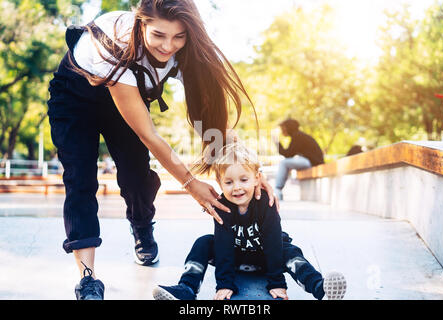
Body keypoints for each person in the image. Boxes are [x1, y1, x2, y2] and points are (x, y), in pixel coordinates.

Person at [47, 0, 277, 300]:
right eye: (158, 35)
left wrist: (249, 170)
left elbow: (212, 122)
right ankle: (87, 279)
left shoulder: (184, 52)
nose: (168, 46)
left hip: (125, 105)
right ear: (140, 22)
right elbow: (149, 134)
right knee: (80, 180)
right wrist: (191, 184)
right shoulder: (114, 43)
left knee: (137, 177)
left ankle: (142, 227)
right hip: (74, 100)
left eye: (178, 36)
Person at [152, 143, 346, 300]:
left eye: (243, 180)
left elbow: (272, 243)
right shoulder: (222, 205)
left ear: (257, 179)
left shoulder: (265, 204)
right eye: (228, 182)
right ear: (220, 183)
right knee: (204, 242)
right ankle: (186, 289)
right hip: (235, 258)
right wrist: (225, 284)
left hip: (265, 258)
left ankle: (320, 288)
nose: (236, 188)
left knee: (290, 251)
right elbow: (223, 245)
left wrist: (277, 283)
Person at [273, 118, 324, 200]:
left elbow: (288, 154)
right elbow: (289, 154)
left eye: (283, 129)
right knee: (286, 163)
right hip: (310, 161)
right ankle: (278, 190)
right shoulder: (298, 135)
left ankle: (277, 190)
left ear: (289, 128)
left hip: (312, 162)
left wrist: (277, 143)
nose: (282, 131)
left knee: (284, 163)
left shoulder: (298, 136)